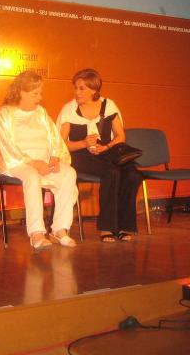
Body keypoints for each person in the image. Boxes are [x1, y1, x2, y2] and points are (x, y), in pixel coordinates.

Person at [0, 71, 78, 250]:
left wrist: (55, 157)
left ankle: (60, 229)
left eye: (40, 93)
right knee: (31, 176)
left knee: (68, 173)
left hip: (43, 162)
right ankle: (37, 233)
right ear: (21, 92)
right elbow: (6, 146)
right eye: (35, 93)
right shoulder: (5, 113)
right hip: (16, 163)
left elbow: (54, 138)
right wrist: (34, 163)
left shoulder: (41, 112)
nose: (40, 97)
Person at [57, 68, 142, 242]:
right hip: (79, 155)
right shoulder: (69, 110)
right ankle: (107, 227)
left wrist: (106, 147)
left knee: (133, 174)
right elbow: (60, 144)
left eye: (82, 88)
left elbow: (121, 136)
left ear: (94, 90)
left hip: (105, 152)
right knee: (112, 172)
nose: (77, 92)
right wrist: (83, 143)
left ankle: (125, 225)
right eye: (76, 88)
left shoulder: (108, 105)